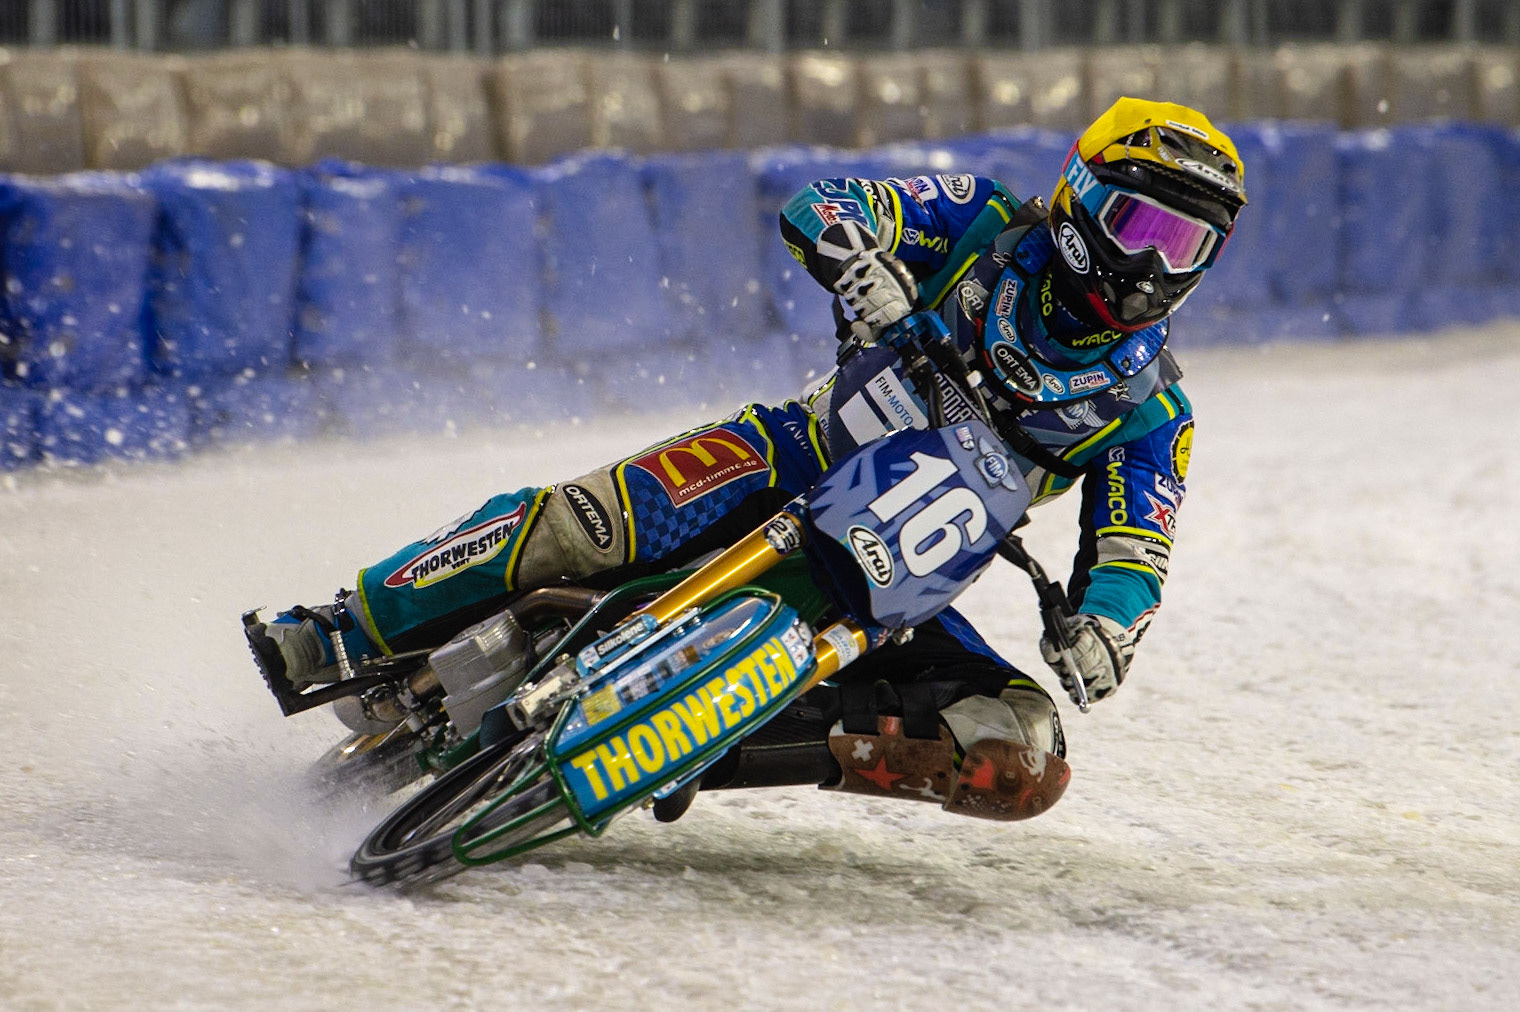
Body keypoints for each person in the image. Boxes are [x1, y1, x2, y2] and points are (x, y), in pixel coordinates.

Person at [247, 97, 1246, 821]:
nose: (1153, 264)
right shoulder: (982, 220)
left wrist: (1106, 632)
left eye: (1186, 245)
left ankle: (695, 743)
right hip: (783, 454)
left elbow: (1132, 550)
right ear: (1077, 197)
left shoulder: (1151, 410)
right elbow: (826, 200)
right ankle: (346, 624)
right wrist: (861, 260)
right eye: (1139, 225)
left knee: (1018, 754)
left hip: (898, 571)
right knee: (582, 524)